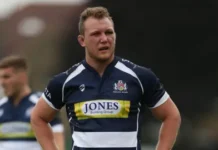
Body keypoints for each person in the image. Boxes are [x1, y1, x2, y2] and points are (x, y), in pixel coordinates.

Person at [31, 6, 181, 150]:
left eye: (109, 32)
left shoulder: (140, 76)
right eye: (96, 34)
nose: (104, 39)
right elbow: (38, 118)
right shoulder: (65, 81)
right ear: (82, 40)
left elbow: (171, 116)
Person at [0, 56, 65, 150]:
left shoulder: (42, 104)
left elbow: (57, 143)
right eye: (0, 78)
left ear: (23, 77)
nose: (2, 82)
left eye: (6, 77)